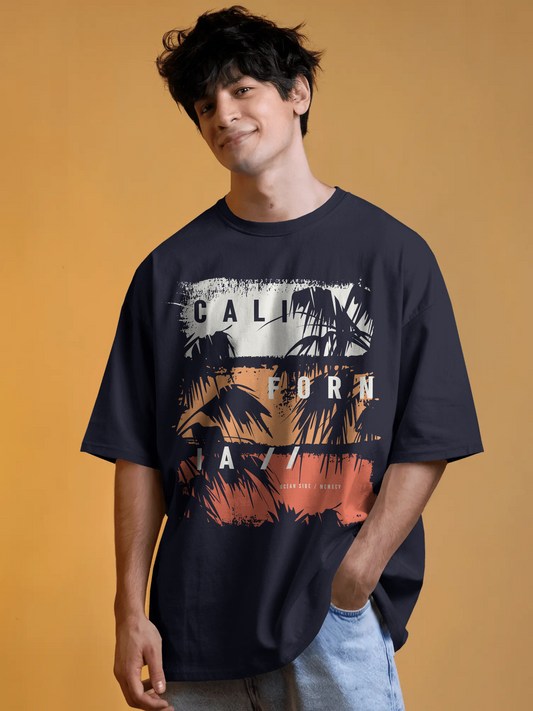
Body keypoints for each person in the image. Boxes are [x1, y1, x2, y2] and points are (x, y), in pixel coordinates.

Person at [80, 5, 484, 710]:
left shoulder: (392, 256)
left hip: (331, 618)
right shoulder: (168, 271)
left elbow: (430, 437)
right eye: (205, 105)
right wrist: (129, 610)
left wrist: (356, 577)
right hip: (192, 622)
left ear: (298, 93)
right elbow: (136, 452)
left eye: (242, 90)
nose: (223, 115)